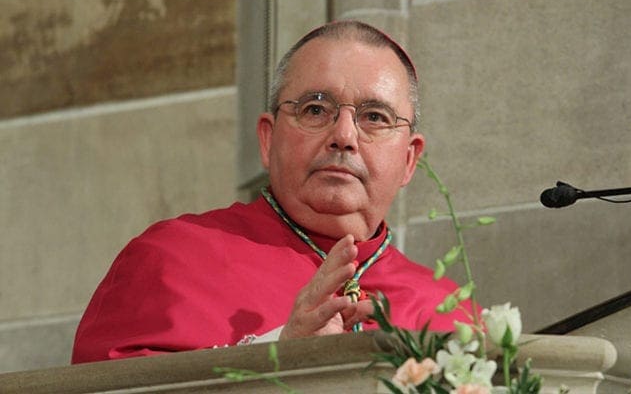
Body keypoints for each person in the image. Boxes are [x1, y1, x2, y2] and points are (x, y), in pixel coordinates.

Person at [71, 20, 474, 364]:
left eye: (374, 117)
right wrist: (277, 359)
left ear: (409, 159)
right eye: (315, 109)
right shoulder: (170, 261)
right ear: (268, 139)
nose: (344, 136)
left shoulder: (451, 312)